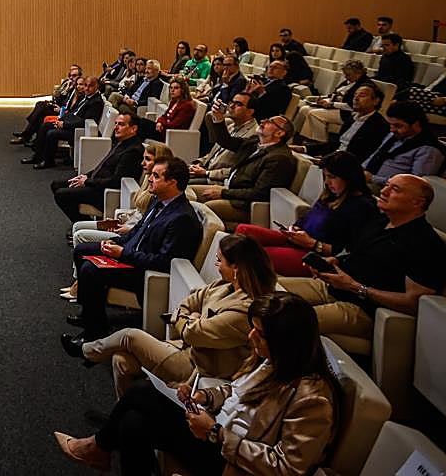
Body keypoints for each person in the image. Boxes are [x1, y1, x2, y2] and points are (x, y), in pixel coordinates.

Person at [55, 293, 339, 476]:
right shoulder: (269, 360)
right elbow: (237, 391)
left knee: (142, 392)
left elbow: (288, 468)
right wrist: (206, 396)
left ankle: (97, 448)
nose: (251, 336)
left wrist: (215, 433)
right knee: (132, 423)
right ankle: (99, 450)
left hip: (233, 462)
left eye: (260, 333)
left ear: (286, 342)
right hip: (216, 433)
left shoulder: (313, 398)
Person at [63, 234, 278, 398]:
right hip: (187, 349)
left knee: (129, 336)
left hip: (199, 367)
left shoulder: (246, 309)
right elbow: (188, 302)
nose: (216, 265)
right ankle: (125, 417)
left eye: (219, 261)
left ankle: (86, 351)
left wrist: (186, 319)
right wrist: (190, 318)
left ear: (237, 268)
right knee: (122, 360)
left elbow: (194, 333)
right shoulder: (224, 285)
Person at [283, 175, 446, 344]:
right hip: (334, 287)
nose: (384, 191)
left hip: (363, 309)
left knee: (283, 322)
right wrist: (335, 261)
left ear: (417, 202)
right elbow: (358, 253)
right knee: (264, 291)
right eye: (387, 185)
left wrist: (356, 287)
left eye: (395, 189)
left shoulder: (424, 243)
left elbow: (414, 303)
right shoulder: (380, 221)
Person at [65, 157, 202, 340]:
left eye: (155, 176)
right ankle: (89, 312)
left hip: (142, 270)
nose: (149, 178)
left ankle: (94, 331)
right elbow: (138, 230)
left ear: (172, 182)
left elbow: (165, 262)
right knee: (82, 250)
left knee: (91, 270)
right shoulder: (158, 200)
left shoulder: (182, 218)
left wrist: (123, 253)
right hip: (130, 253)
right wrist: (117, 243)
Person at [235, 151, 384, 276]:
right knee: (243, 231)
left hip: (316, 254)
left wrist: (312, 244)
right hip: (299, 240)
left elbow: (348, 251)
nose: (327, 182)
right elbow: (307, 218)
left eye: (332, 177)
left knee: (257, 256)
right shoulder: (331, 195)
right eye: (326, 176)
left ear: (349, 177)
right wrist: (295, 229)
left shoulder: (362, 206)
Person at [62, 144, 176, 300]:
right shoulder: (149, 183)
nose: (142, 163)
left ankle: (80, 285)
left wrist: (123, 241)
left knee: (81, 235)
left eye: (147, 160)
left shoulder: (161, 195)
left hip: (130, 237)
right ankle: (79, 282)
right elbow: (139, 218)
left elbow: (145, 229)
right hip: (126, 227)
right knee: (79, 231)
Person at [190, 115, 298, 227]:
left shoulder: (279, 158)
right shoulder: (256, 142)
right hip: (231, 189)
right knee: (189, 191)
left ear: (279, 133)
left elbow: (260, 193)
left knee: (206, 208)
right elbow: (226, 141)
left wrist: (223, 193)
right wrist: (218, 119)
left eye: (270, 121)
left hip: (245, 203)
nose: (263, 120)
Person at [51, 113, 145, 222]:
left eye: (121, 124)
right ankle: (83, 222)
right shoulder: (122, 142)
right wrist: (85, 176)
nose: (115, 127)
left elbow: (116, 181)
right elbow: (102, 166)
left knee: (61, 195)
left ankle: (82, 222)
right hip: (96, 183)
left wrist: (87, 182)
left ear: (133, 128)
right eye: (115, 124)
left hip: (105, 192)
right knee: (56, 185)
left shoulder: (132, 151)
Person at [22, 76, 105, 168]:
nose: (87, 88)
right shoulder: (85, 97)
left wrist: (64, 124)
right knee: (44, 126)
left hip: (78, 130)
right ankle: (37, 156)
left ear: (97, 86)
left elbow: (85, 122)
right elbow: (73, 111)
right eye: (86, 85)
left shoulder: (96, 102)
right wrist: (62, 120)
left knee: (51, 133)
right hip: (71, 123)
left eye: (90, 86)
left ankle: (48, 161)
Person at [291, 84, 388, 162]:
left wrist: (328, 160)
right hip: (334, 158)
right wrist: (304, 148)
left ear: (376, 101)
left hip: (345, 165)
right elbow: (336, 144)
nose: (356, 98)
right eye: (355, 95)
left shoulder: (379, 125)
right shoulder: (352, 118)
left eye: (362, 95)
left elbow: (362, 155)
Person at [362, 101, 446, 186]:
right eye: (390, 125)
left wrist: (373, 179)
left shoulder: (429, 150)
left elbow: (414, 184)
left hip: (388, 189)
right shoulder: (395, 135)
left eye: (398, 126)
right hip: (367, 178)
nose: (392, 130)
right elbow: (375, 155)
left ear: (416, 124)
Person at [295, 59, 374, 144]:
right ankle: (297, 136)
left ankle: (319, 142)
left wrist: (332, 104)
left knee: (314, 113)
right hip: (335, 106)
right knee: (304, 109)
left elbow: (351, 106)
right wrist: (324, 100)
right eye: (345, 74)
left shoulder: (365, 85)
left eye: (348, 75)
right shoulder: (349, 81)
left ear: (358, 73)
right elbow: (334, 94)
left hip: (346, 113)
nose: (346, 77)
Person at [189, 93, 259, 185]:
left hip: (217, 180)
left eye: (238, 104)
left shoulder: (254, 135)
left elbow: (238, 170)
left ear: (250, 111)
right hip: (204, 170)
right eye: (231, 102)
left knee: (176, 184)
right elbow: (213, 154)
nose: (231, 106)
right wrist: (198, 163)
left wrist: (206, 173)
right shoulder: (231, 126)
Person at [10, 64, 81, 145]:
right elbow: (57, 97)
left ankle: (27, 134)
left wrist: (61, 109)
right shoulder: (68, 84)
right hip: (58, 106)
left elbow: (72, 107)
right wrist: (66, 90)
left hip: (63, 111)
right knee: (39, 104)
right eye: (70, 75)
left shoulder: (78, 89)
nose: (72, 78)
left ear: (79, 76)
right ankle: (28, 134)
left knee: (41, 111)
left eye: (74, 75)